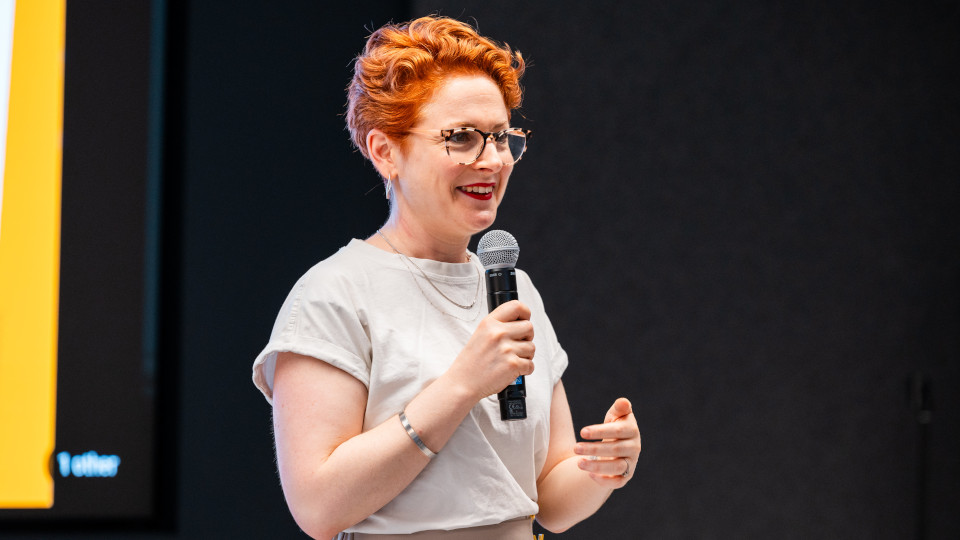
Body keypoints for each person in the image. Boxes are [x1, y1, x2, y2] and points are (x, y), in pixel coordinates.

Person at [252, 15, 641, 539]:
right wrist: (460, 386)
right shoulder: (333, 294)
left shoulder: (515, 289)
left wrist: (604, 468)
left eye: (501, 138)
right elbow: (319, 508)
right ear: (385, 152)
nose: (493, 160)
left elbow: (548, 498)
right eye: (461, 138)